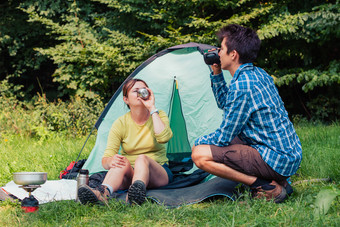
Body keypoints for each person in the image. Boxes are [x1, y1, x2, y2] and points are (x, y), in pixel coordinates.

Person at [191, 24, 302, 203]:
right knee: (222, 143)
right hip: (287, 155)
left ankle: (265, 186)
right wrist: (217, 72)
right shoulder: (258, 73)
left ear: (233, 54)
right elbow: (225, 104)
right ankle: (281, 182)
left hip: (275, 158)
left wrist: (197, 142)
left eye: (222, 49)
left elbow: (223, 138)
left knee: (199, 153)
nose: (218, 53)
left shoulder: (243, 85)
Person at [78, 78, 173, 205]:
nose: (140, 93)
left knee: (142, 159)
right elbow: (105, 160)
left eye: (143, 90)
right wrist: (112, 161)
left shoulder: (158, 114)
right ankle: (103, 194)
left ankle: (134, 195)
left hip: (158, 172)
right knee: (121, 162)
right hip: (131, 173)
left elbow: (164, 138)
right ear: (126, 99)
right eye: (135, 91)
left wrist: (152, 108)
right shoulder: (120, 123)